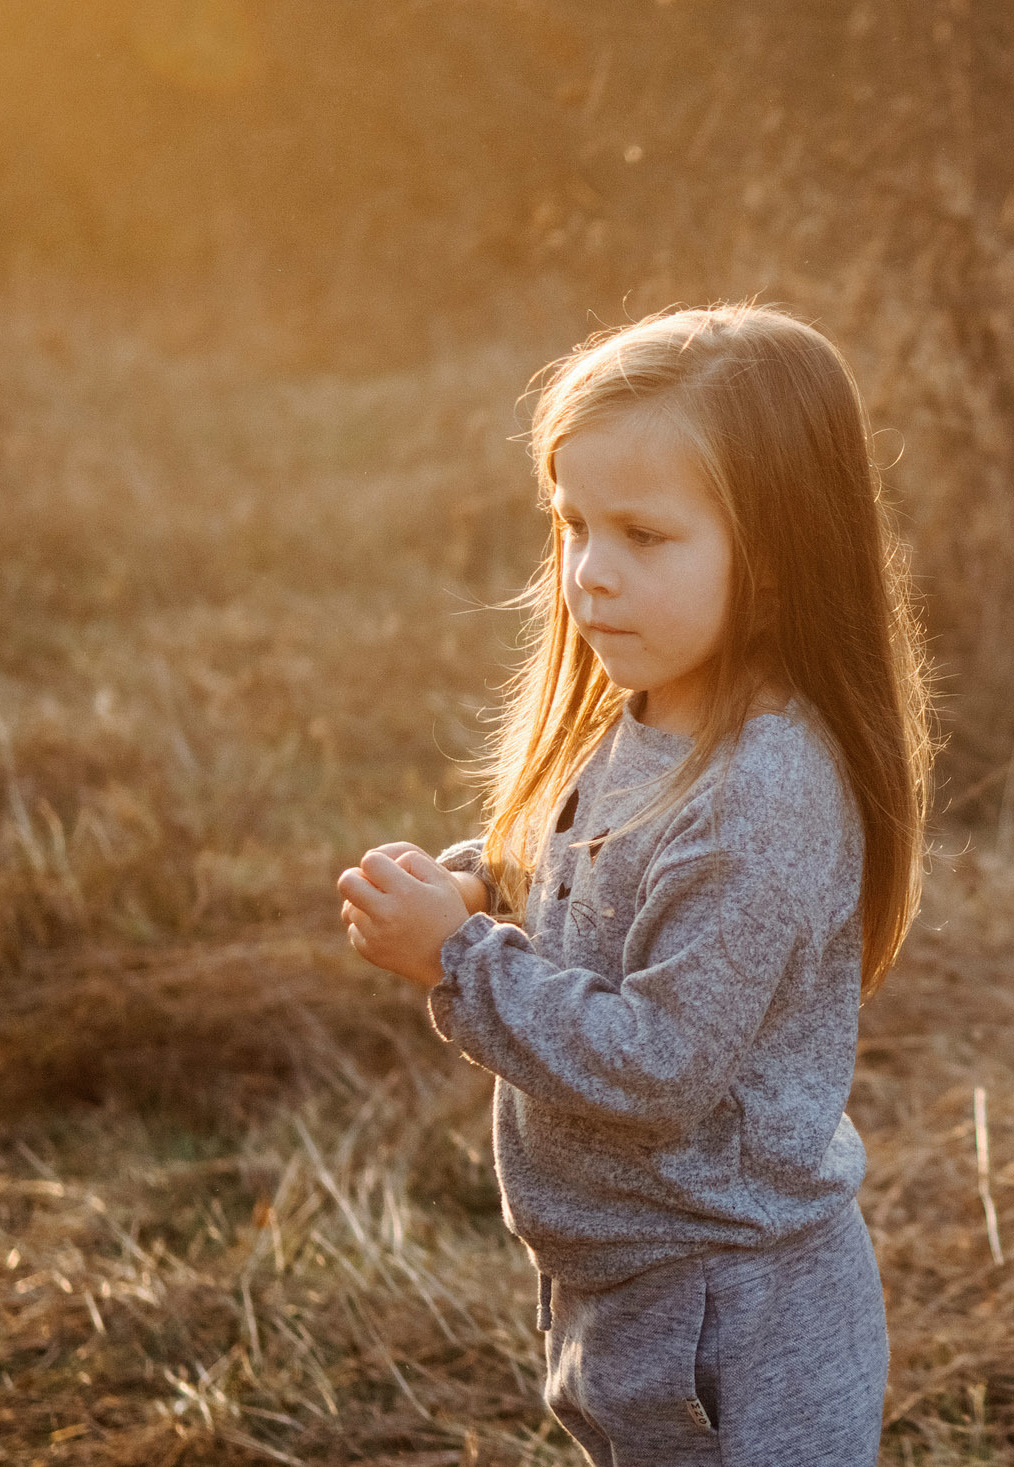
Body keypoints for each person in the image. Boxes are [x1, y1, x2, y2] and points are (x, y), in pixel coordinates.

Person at [334, 301, 931, 1465]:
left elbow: (660, 1063)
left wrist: (458, 961)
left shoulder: (768, 787)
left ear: (777, 556)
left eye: (645, 538)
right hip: (626, 1286)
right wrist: (478, 891)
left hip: (738, 1318)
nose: (590, 577)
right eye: (573, 525)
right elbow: (579, 884)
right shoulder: (641, 713)